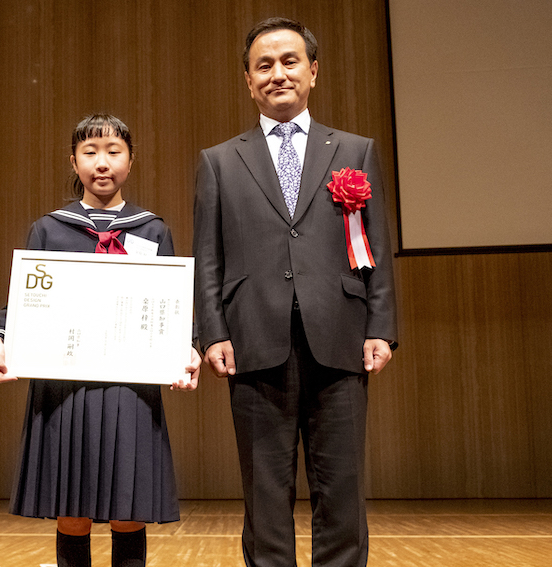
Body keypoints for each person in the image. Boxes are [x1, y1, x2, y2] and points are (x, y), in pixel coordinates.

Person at [193, 17, 398, 567]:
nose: (277, 74)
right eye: (263, 66)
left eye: (289, 61)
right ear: (247, 80)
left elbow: (377, 247)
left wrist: (381, 327)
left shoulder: (355, 150)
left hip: (341, 338)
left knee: (343, 490)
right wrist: (212, 332)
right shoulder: (219, 161)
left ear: (313, 71)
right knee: (264, 494)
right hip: (253, 342)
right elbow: (208, 256)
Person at [0, 113, 201, 567]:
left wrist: (187, 347)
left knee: (129, 512)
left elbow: (175, 307)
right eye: (90, 152)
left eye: (113, 151)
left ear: (130, 160)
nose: (102, 163)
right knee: (72, 514)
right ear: (74, 161)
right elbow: (20, 300)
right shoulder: (49, 229)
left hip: (131, 390)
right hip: (65, 389)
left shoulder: (152, 230)